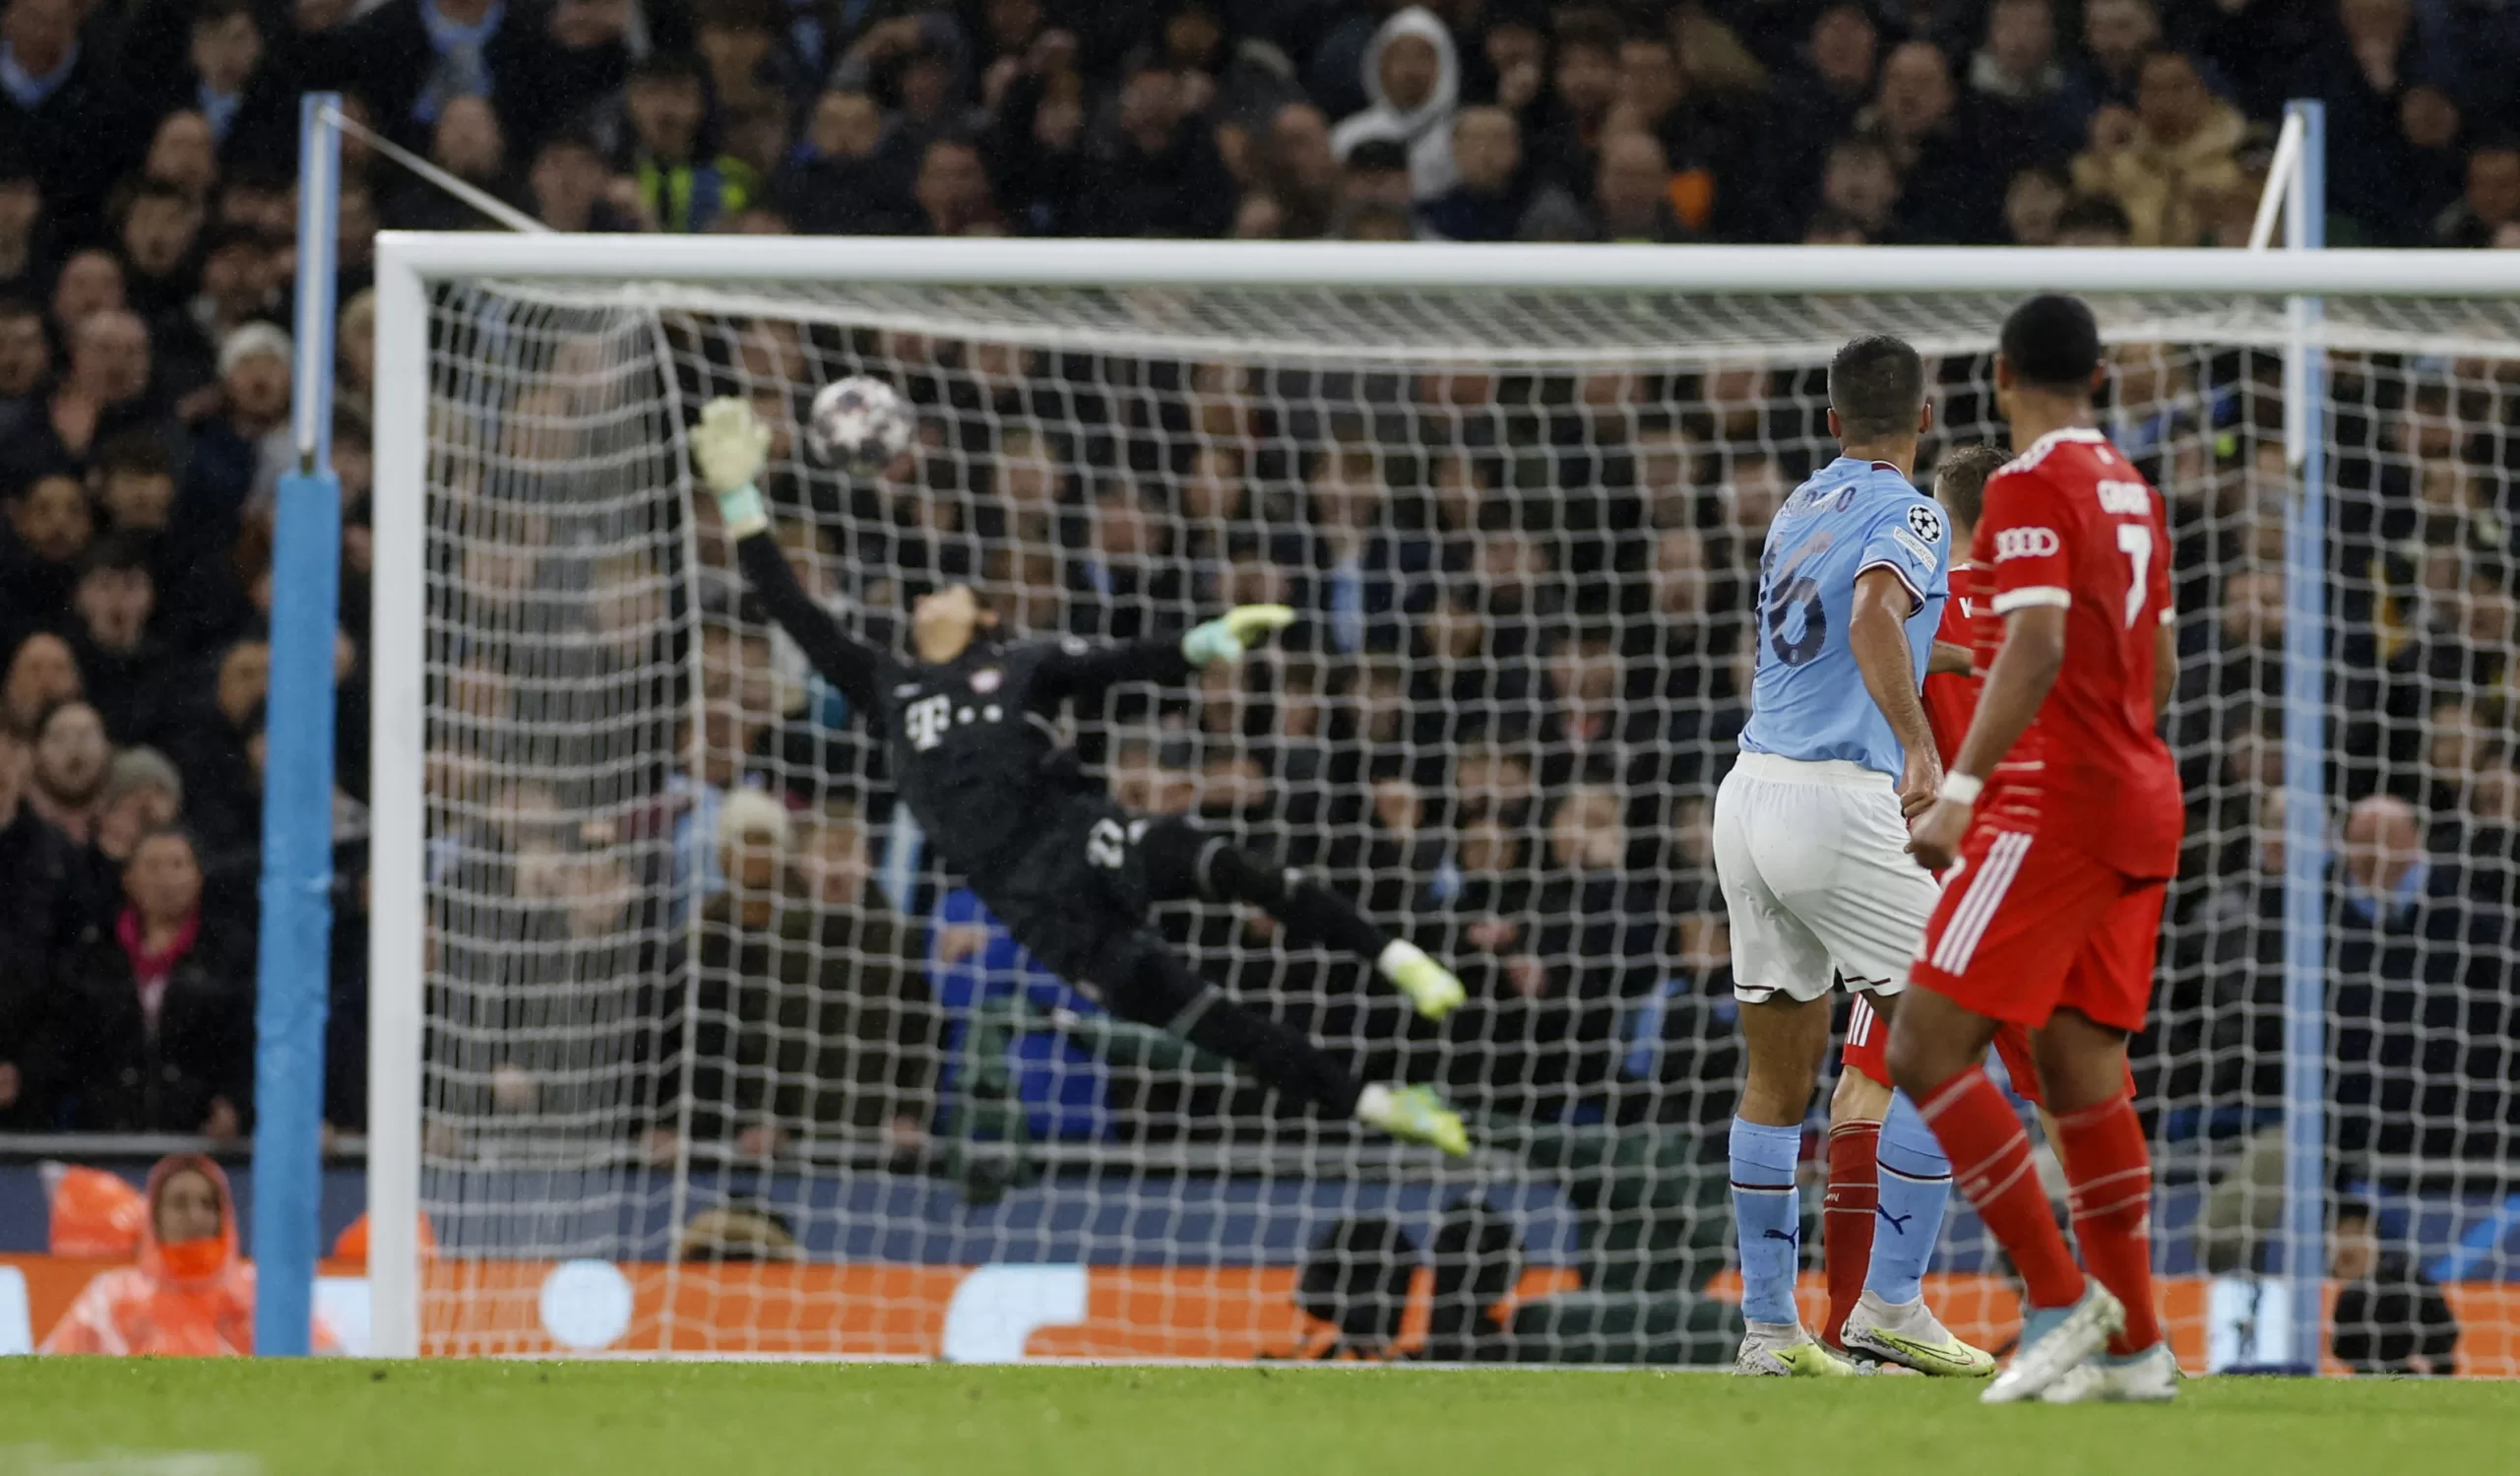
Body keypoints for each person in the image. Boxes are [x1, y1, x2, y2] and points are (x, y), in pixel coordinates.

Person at [690, 396, 1471, 1156]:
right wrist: (739, 499)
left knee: (1224, 866)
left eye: (952, 592)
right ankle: (1382, 1104)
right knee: (1202, 1016)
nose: (931, 596)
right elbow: (796, 610)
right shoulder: (887, 688)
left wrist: (1201, 643)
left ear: (985, 620)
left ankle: (1396, 958)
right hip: (1025, 899)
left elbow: (1117, 664)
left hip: (1071, 829)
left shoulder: (1019, 666)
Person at [1895, 291, 2183, 1405]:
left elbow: (2038, 639)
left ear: (2002, 376)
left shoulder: (2023, 484)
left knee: (1925, 1047)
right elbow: (2156, 665)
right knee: (2078, 1075)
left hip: (2053, 803)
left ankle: (2062, 1299)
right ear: (2099, 380)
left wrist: (1967, 785)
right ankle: (2139, 1346)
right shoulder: (2131, 487)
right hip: (2142, 800)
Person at [1712, 334, 1986, 1377]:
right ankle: (1891, 1303)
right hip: (1835, 795)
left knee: (1775, 1078)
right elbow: (1876, 614)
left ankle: (1771, 1331)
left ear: (1832, 421)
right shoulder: (1912, 511)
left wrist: (1960, 653)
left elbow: (1852, 627)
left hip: (1747, 796)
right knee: (1956, 1032)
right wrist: (1919, 741)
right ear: (1925, 417)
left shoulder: (1800, 505)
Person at [40, 1153, 338, 1354]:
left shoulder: (261, 1294)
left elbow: (333, 1361)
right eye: (179, 1204)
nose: (195, 1215)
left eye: (207, 1204)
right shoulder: (111, 1296)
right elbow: (47, 1374)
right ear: (154, 1217)